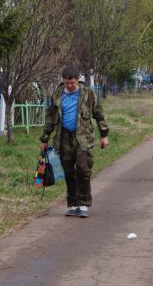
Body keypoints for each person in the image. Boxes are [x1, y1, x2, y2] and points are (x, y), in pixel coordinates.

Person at [40, 67, 109, 218]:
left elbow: (99, 114)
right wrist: (45, 138)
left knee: (83, 169)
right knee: (69, 172)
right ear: (63, 80)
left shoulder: (88, 94)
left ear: (78, 79)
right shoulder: (57, 94)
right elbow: (50, 118)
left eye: (72, 82)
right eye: (66, 83)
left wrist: (104, 135)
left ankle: (83, 203)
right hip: (63, 137)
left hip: (83, 138)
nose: (69, 86)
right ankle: (73, 204)